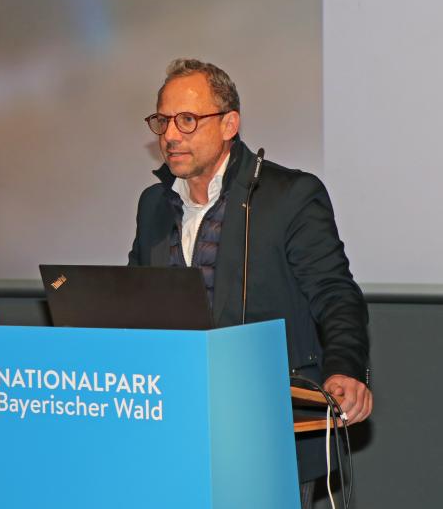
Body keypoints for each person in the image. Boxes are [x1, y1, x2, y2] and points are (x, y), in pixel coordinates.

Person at [128, 58, 372, 506]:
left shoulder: (288, 197)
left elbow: (335, 294)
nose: (169, 135)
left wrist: (345, 369)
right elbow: (132, 307)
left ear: (229, 124)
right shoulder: (153, 206)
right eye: (162, 121)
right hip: (173, 427)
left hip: (267, 426)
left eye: (186, 120)